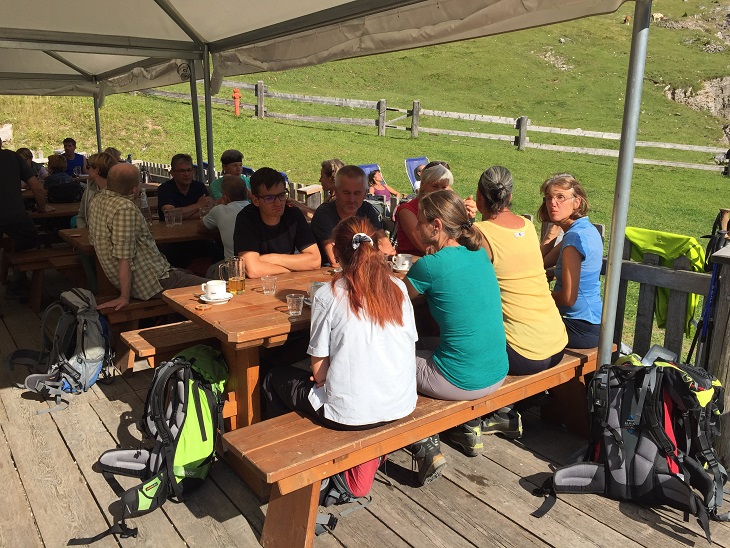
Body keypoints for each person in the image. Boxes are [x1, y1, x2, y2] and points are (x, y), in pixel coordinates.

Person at [263, 216, 417, 429]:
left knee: (273, 377)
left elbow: (318, 371)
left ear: (335, 252)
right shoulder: (398, 287)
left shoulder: (328, 295)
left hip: (350, 415)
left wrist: (329, 380)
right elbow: (409, 342)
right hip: (401, 403)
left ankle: (286, 452)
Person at [404, 189, 508, 483]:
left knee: (385, 361)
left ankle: (423, 441)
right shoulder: (479, 255)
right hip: (497, 372)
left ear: (436, 226)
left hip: (461, 380)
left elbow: (391, 302)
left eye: (421, 221)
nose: (416, 227)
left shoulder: (430, 266)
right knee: (420, 344)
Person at [474, 166, 568, 438]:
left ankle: (489, 413)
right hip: (556, 343)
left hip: (523, 353)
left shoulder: (481, 233)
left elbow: (469, 290)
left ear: (480, 198)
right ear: (510, 197)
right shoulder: (527, 226)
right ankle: (517, 404)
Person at [89, 163, 208, 312]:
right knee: (218, 288)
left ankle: (173, 319)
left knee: (189, 273)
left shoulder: (97, 200)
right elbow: (123, 256)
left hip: (142, 276)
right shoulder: (124, 208)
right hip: (149, 282)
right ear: (134, 189)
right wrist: (124, 297)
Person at [539, 173, 603, 348]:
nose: (553, 203)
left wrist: (537, 298)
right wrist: (553, 232)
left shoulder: (574, 239)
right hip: (589, 323)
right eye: (548, 198)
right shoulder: (583, 230)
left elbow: (568, 298)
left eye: (560, 197)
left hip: (578, 326)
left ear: (577, 202)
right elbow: (540, 263)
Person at [233, 167, 320, 278]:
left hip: (283, 283)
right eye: (270, 198)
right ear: (256, 200)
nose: (278, 203)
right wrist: (292, 268)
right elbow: (252, 270)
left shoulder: (293, 215)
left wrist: (270, 259)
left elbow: (315, 261)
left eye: (281, 195)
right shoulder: (246, 218)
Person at [311, 165, 395, 267]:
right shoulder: (324, 214)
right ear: (336, 192)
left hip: (364, 271)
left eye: (357, 193)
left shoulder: (367, 209)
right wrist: (374, 254)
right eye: (346, 193)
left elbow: (388, 249)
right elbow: (335, 260)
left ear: (365, 193)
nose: (351, 199)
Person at [0, 142, 53, 296]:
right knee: (30, 243)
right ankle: (19, 281)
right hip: (13, 214)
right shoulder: (11, 157)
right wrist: (42, 208)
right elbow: (37, 187)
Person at [395, 163, 477, 256]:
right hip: (410, 265)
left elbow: (470, 243)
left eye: (444, 187)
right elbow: (427, 248)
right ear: (422, 184)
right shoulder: (407, 210)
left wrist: (467, 218)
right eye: (435, 186)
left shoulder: (447, 209)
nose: (439, 191)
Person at [201, 175, 250, 278]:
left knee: (211, 270)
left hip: (233, 270)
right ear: (246, 192)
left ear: (225, 196)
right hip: (255, 265)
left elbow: (201, 226)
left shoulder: (219, 210)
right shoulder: (255, 209)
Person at [157, 153, 214, 221]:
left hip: (197, 228)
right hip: (170, 230)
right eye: (182, 171)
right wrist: (199, 205)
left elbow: (208, 213)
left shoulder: (199, 187)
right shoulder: (164, 189)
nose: (186, 174)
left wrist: (180, 215)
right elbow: (170, 214)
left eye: (189, 170)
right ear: (172, 173)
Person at [76, 152, 117, 228]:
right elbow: (81, 216)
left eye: (88, 167)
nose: (87, 170)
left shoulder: (116, 191)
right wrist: (83, 230)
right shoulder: (89, 189)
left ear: (97, 170)